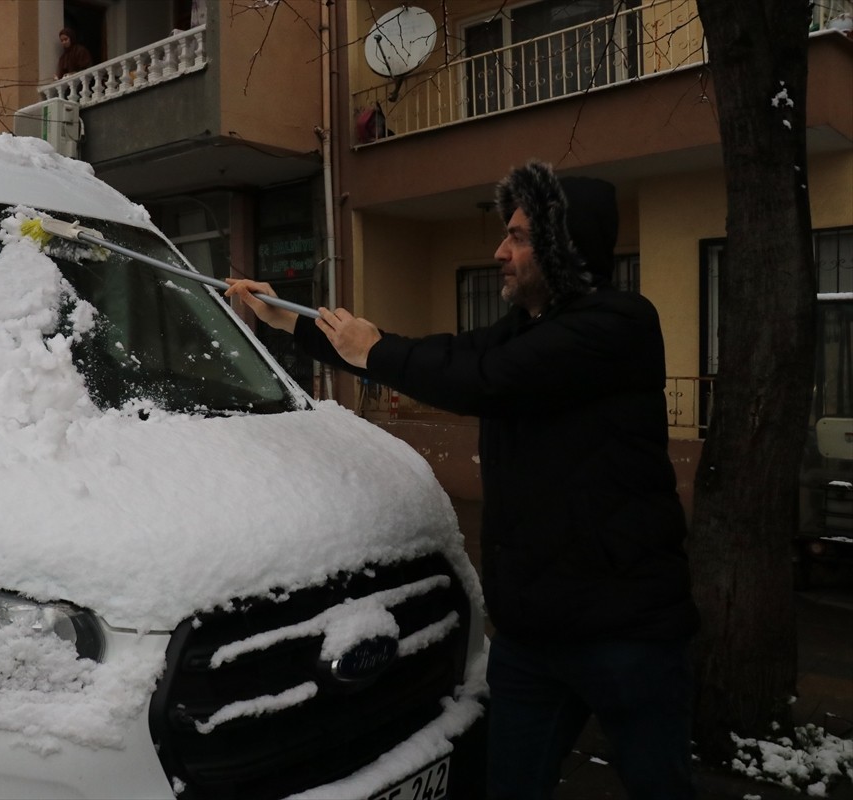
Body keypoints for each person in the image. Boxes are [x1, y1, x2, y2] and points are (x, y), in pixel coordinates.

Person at [225, 160, 700, 800]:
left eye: (519, 237)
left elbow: (483, 379)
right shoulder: (523, 331)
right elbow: (448, 354)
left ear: (563, 247)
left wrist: (375, 351)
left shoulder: (617, 325)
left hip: (625, 636)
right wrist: (295, 324)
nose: (500, 251)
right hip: (534, 637)